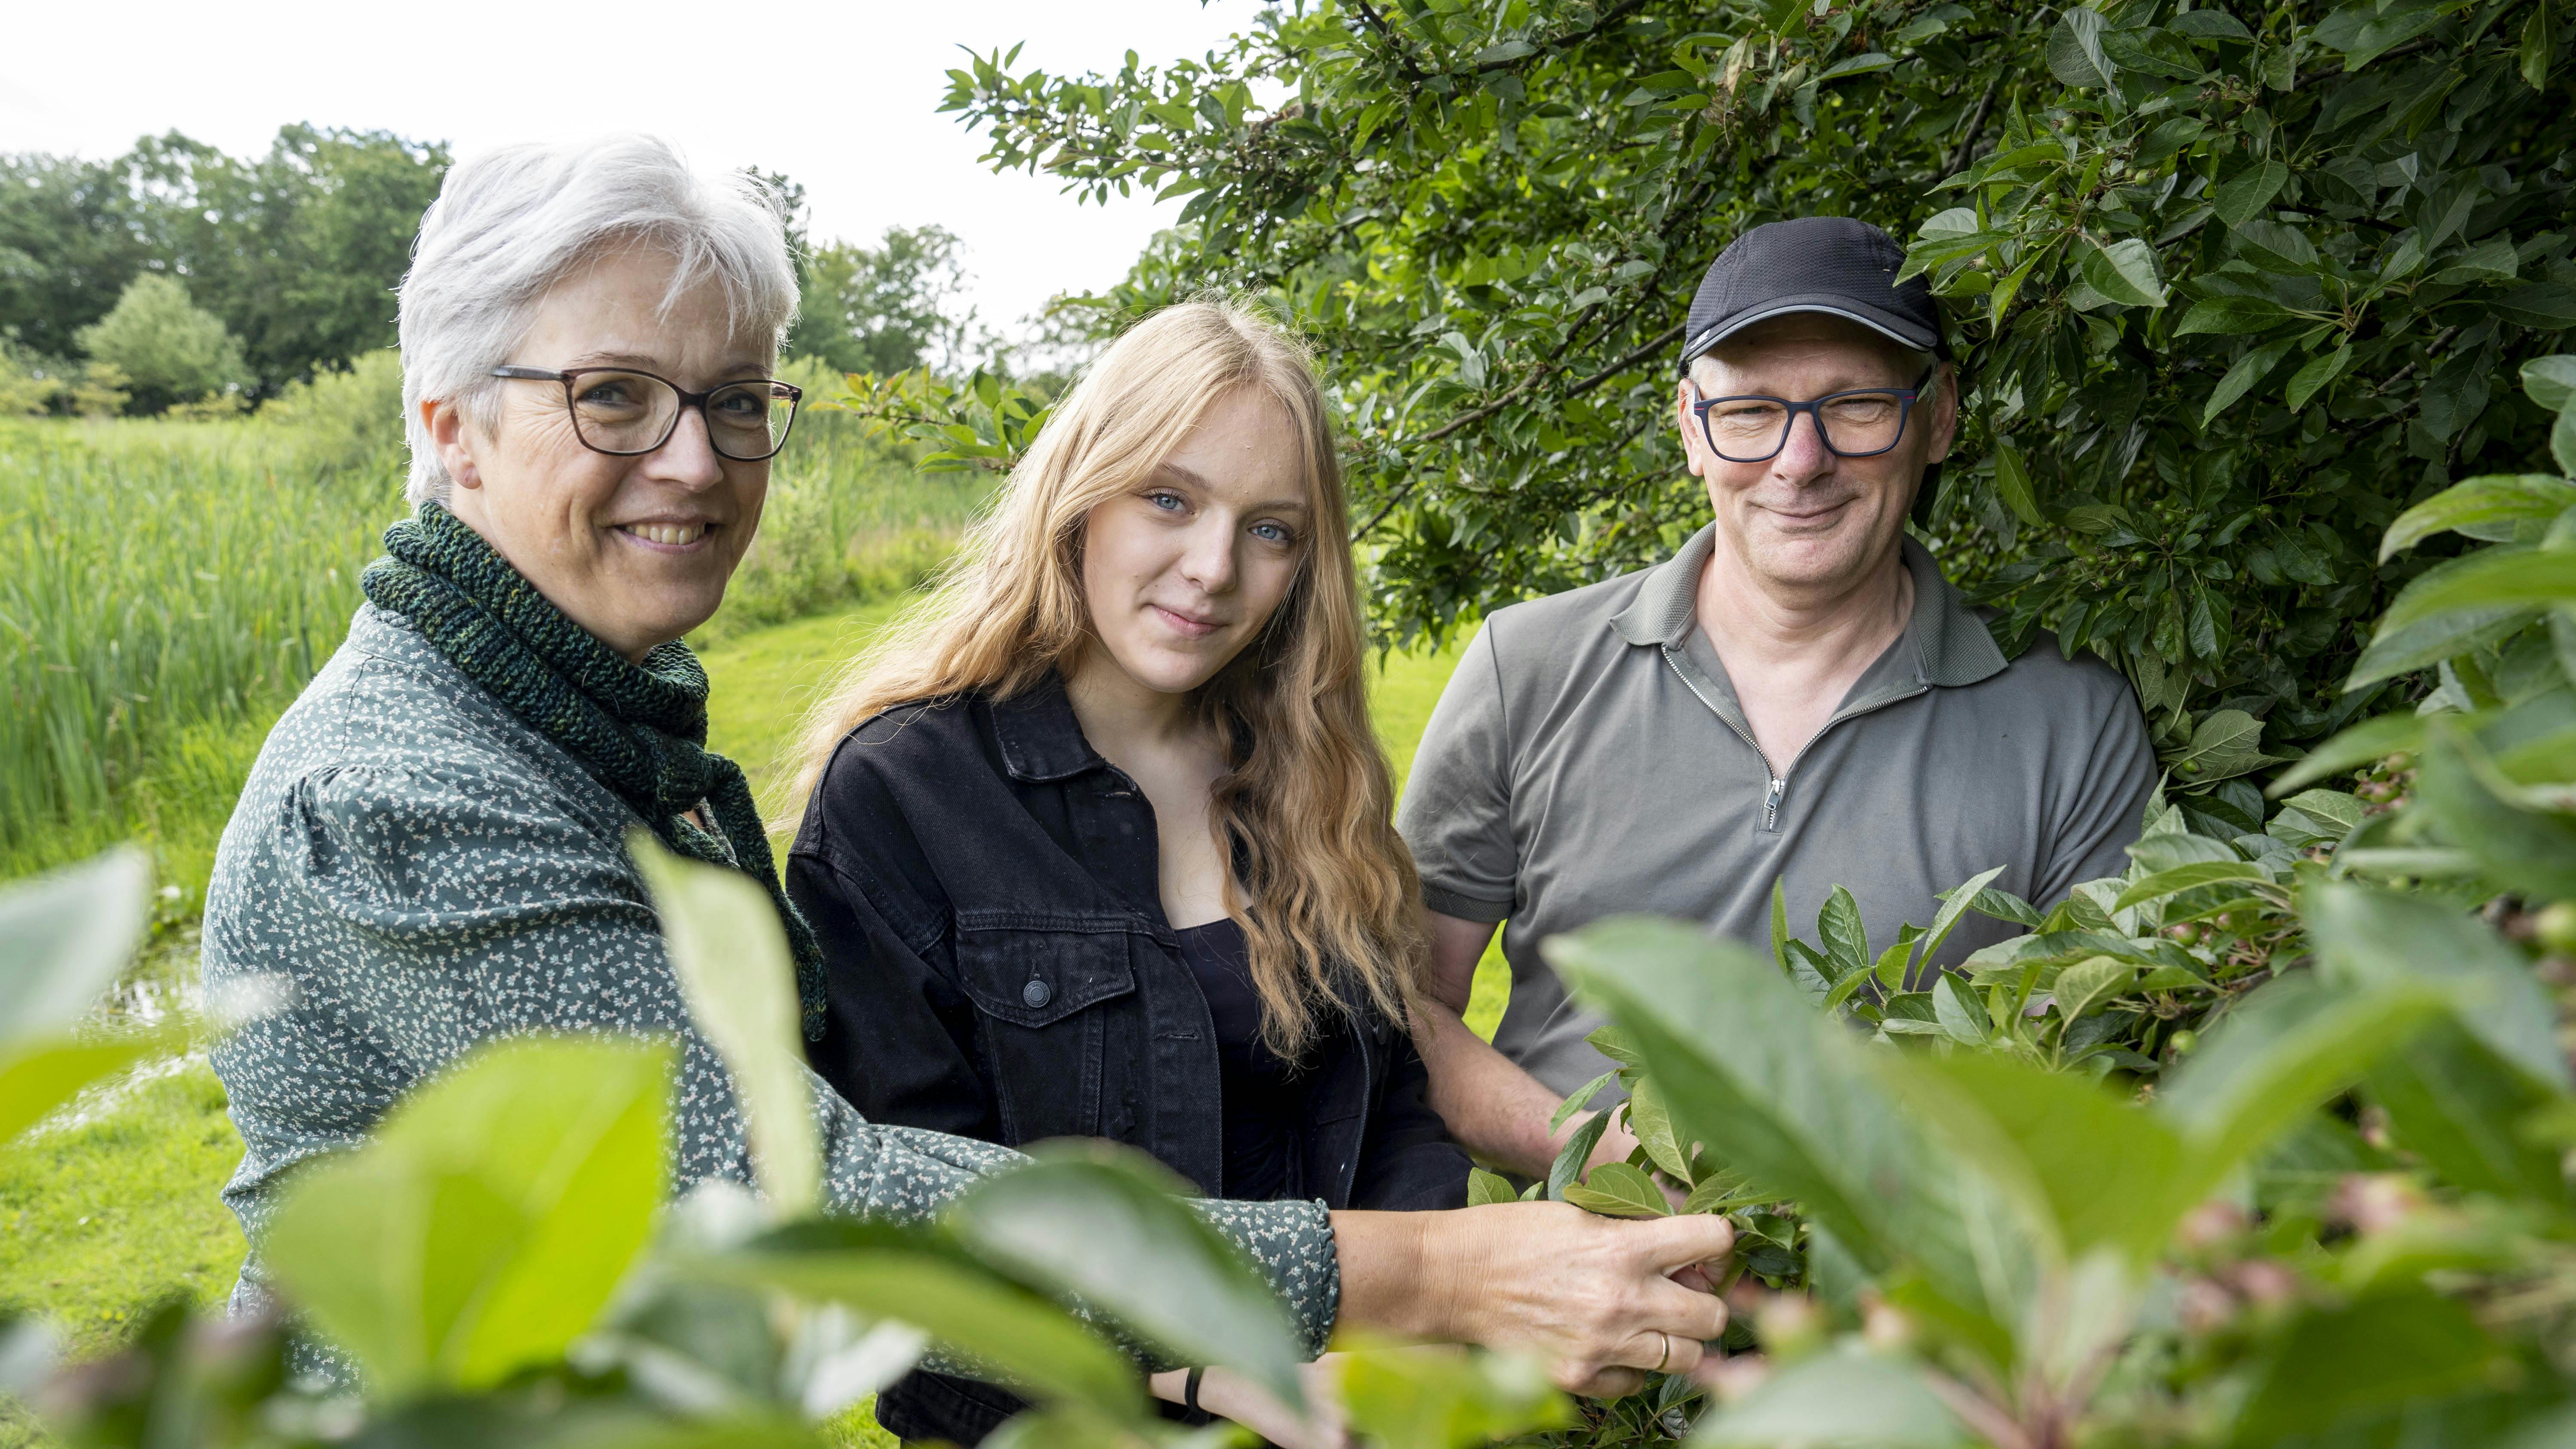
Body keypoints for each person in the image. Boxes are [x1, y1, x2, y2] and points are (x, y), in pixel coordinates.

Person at [200, 135, 1730, 1423]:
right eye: (615, 395)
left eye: (737, 400)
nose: (693, 459)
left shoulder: (592, 737)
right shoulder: (409, 791)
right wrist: (1418, 1280)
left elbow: (1379, 1054)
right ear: (451, 425)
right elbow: (794, 1199)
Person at [787, 301, 1470, 1443]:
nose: (1213, 570)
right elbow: (901, 1213)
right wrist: (1222, 1377)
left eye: (1272, 531)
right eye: (1170, 498)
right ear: (1079, 498)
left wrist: (1396, 1334)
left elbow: (1396, 1097)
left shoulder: (1316, 784)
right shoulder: (904, 795)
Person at [1397, 216, 2160, 1178]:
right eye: (1751, 411)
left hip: (1904, 1296)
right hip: (1570, 1294)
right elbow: (1406, 1009)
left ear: (1939, 417)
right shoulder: (1528, 666)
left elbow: (2092, 1071)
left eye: (1853, 405)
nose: (1800, 462)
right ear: (1690, 429)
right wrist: (1627, 1168)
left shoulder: (2071, 719)